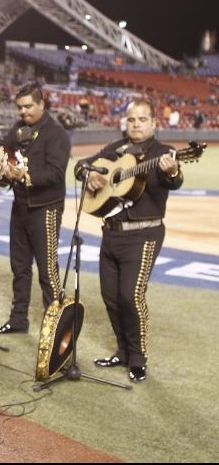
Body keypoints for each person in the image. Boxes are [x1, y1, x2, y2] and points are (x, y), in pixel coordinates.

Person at [75, 99, 182, 382]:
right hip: (111, 232)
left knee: (130, 296)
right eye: (132, 120)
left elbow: (175, 179)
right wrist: (91, 176)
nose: (136, 124)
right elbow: (81, 166)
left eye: (142, 119)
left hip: (144, 234)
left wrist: (172, 172)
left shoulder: (162, 153)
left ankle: (138, 358)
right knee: (110, 297)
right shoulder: (116, 148)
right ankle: (122, 351)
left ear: (154, 123)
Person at [0, 83, 70, 334]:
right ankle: (18, 319)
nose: (23, 112)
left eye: (29, 106)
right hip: (20, 206)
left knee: (47, 271)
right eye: (20, 107)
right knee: (19, 268)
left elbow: (55, 174)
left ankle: (55, 328)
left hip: (46, 209)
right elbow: (1, 144)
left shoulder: (57, 134)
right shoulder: (19, 129)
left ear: (42, 104)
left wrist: (23, 175)